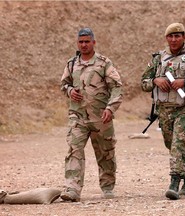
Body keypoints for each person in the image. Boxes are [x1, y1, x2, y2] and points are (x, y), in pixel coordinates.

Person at [141, 23, 185, 200]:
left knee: (178, 143)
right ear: (166, 38)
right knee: (172, 146)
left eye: (177, 36)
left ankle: (174, 182)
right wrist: (156, 80)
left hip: (184, 109)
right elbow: (143, 82)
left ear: (184, 37)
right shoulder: (158, 59)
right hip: (164, 110)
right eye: (170, 36)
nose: (173, 40)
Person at [60, 28, 123, 201]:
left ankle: (107, 186)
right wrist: (70, 90)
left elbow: (117, 87)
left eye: (87, 41)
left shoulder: (104, 63)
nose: (84, 45)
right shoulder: (72, 64)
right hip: (78, 117)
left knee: (105, 152)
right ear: (77, 43)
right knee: (74, 150)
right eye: (81, 42)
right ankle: (72, 188)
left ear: (93, 42)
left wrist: (110, 108)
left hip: (101, 117)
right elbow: (63, 84)